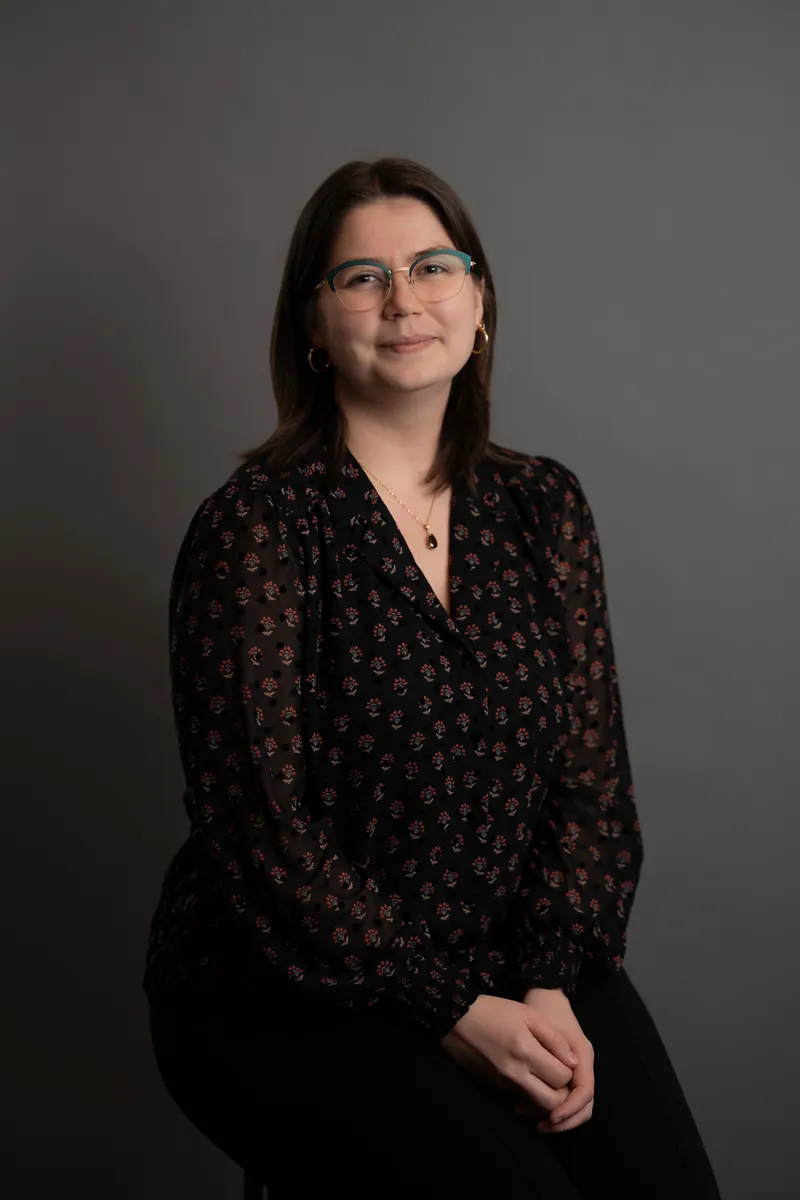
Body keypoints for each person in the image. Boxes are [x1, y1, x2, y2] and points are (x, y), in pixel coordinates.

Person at [144, 157, 721, 1199]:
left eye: (431, 266)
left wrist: (544, 982)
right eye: (359, 277)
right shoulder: (258, 528)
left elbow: (592, 790)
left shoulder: (543, 507)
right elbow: (262, 840)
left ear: (479, 298)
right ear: (312, 326)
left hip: (516, 958)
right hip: (291, 986)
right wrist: (453, 1010)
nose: (403, 300)